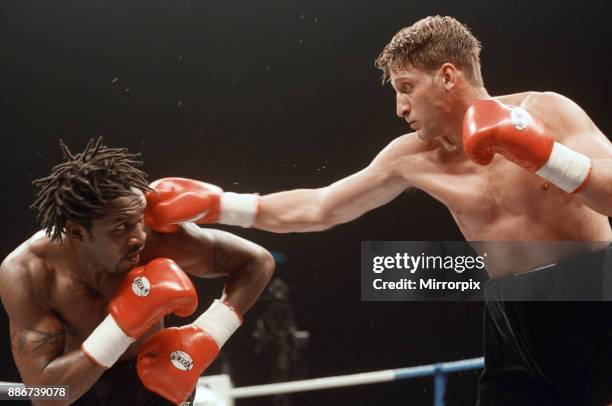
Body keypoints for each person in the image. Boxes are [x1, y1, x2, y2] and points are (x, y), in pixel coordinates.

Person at [141, 16, 612, 405]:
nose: (399, 106)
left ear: (448, 76)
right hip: (510, 319)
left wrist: (545, 155)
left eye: (406, 87)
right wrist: (221, 204)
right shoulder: (411, 156)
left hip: (594, 296)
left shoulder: (546, 113)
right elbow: (321, 206)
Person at [0, 138, 275, 405]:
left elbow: (257, 262)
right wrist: (121, 326)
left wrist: (208, 334)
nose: (139, 237)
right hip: (78, 390)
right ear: (77, 232)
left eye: (139, 219)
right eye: (121, 227)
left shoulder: (156, 238)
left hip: (156, 384)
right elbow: (46, 396)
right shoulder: (29, 273)